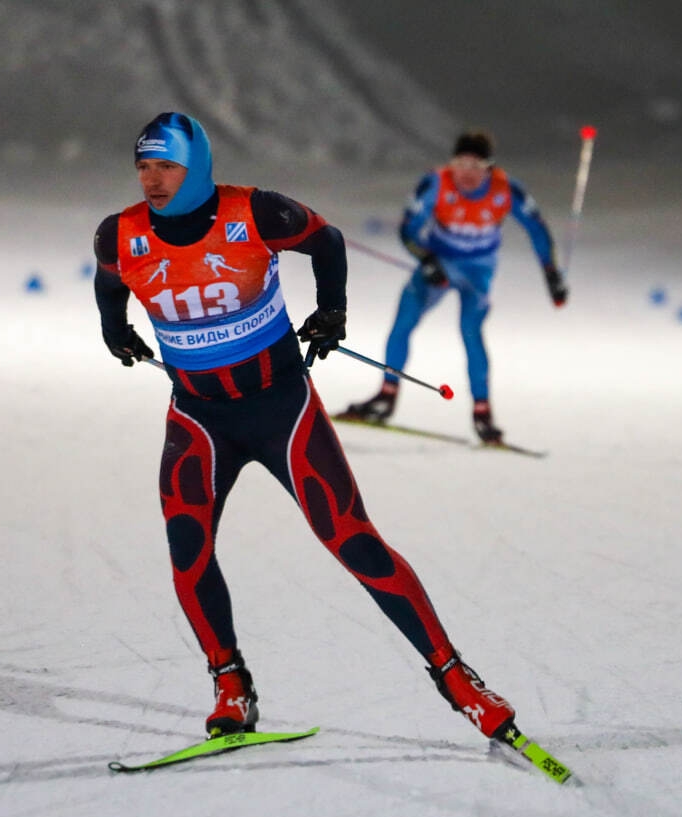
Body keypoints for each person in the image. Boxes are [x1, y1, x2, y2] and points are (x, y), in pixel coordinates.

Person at [92, 112, 520, 743]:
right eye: (144, 167)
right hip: (199, 418)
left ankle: (457, 679)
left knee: (353, 540)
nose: (153, 180)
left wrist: (332, 310)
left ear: (197, 167)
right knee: (188, 551)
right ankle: (230, 683)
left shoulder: (255, 212)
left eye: (168, 167)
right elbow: (110, 284)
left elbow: (327, 241)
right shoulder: (120, 234)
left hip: (281, 410)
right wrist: (114, 330)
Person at [339, 129, 566, 444]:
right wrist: (427, 259)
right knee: (404, 319)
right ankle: (386, 396)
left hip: (478, 272)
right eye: (461, 164)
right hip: (441, 263)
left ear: (489, 168)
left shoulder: (505, 190)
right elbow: (407, 229)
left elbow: (537, 229)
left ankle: (482, 413)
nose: (467, 173)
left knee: (471, 331)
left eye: (476, 166)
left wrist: (552, 273)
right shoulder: (435, 184)